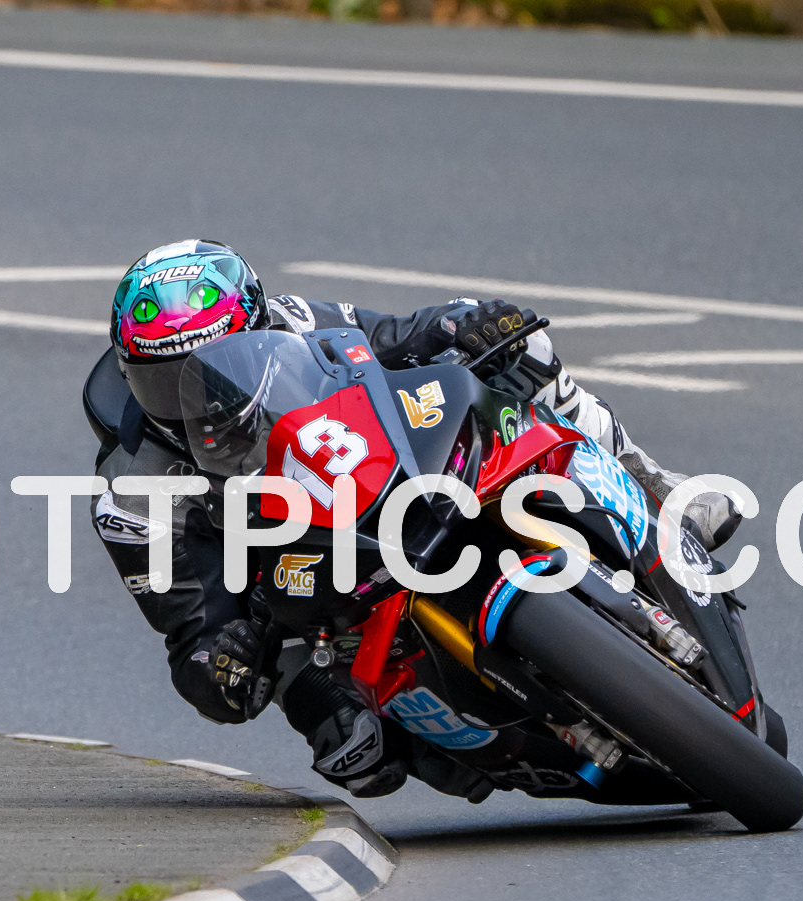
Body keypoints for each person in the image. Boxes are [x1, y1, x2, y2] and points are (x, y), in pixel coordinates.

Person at [85, 239, 740, 800]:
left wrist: (464, 325)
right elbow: (193, 640)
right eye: (165, 381)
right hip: (289, 583)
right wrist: (222, 662)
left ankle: (658, 488)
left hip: (378, 477)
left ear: (256, 327)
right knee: (352, 741)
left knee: (526, 352)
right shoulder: (130, 495)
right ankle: (463, 735)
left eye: (216, 365)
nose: (196, 395)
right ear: (128, 374)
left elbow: (394, 337)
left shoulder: (292, 321)